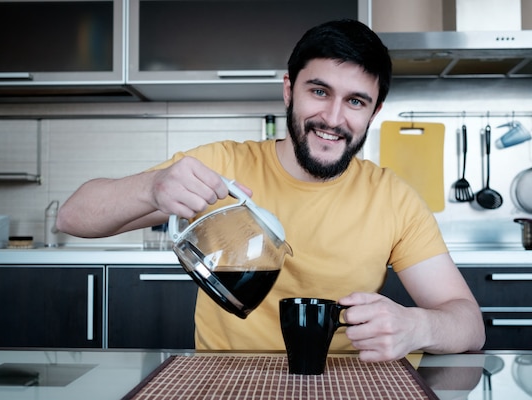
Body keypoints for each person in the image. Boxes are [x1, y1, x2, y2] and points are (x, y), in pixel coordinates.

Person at [57, 19, 485, 362]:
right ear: (288, 90)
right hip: (228, 384)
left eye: (356, 101)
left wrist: (419, 327)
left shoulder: (393, 197)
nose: (333, 118)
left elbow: (469, 324)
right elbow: (72, 217)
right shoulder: (224, 166)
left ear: (374, 111)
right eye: (319, 91)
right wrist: (152, 187)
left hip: (349, 387)